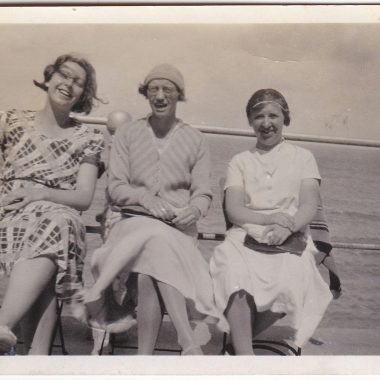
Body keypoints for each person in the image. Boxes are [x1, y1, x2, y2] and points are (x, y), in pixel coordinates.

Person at [85, 63, 225, 355]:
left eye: (167, 89)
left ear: (179, 95)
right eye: (153, 90)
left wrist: (194, 211)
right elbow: (116, 187)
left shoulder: (196, 140)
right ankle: (187, 341)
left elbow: (203, 194)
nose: (160, 96)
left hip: (176, 229)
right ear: (145, 94)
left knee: (151, 269)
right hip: (131, 223)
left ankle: (143, 360)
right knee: (154, 240)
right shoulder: (127, 134)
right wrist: (146, 199)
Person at [209, 88, 333, 355]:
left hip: (291, 234)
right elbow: (234, 211)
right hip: (246, 233)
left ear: (285, 119)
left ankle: (238, 342)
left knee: (293, 277)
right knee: (233, 273)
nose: (266, 123)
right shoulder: (240, 161)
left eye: (273, 116)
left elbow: (310, 204)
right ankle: (246, 358)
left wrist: (286, 225)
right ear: (250, 122)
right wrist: (268, 219)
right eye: (258, 117)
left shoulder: (303, 157)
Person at [0, 54, 104, 354]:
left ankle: (4, 325)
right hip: (10, 215)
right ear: (49, 78)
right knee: (52, 247)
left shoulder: (88, 138)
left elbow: (83, 198)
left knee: (56, 224)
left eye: (78, 82)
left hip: (57, 214)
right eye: (64, 75)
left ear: (83, 95)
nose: (69, 84)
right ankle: (35, 359)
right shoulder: (10, 121)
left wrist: (39, 194)